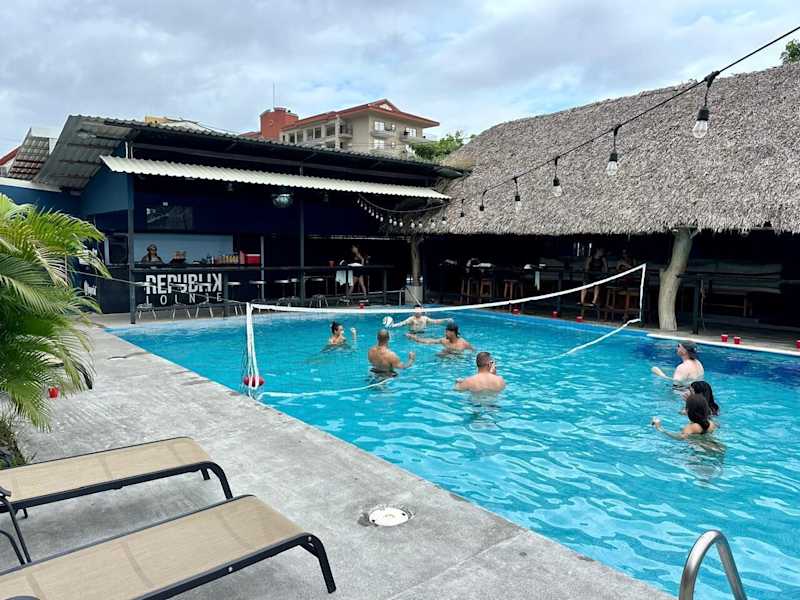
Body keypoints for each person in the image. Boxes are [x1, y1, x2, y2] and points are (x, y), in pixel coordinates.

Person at [652, 393, 717, 439]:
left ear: (688, 410)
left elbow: (679, 438)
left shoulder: (690, 428)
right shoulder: (712, 423)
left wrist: (660, 429)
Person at [407, 322, 474, 353]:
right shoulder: (444, 340)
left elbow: (473, 352)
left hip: (457, 363)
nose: (444, 333)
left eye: (446, 332)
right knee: (440, 354)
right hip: (445, 362)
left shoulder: (463, 343)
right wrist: (414, 338)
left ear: (453, 333)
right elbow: (429, 341)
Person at [387, 304, 452, 333]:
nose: (417, 312)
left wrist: (446, 319)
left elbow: (435, 321)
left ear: (422, 311)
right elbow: (402, 323)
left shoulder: (425, 318)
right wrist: (393, 325)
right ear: (413, 311)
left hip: (423, 334)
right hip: (413, 334)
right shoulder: (411, 319)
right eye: (416, 310)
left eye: (419, 310)